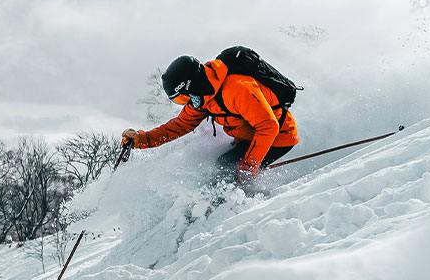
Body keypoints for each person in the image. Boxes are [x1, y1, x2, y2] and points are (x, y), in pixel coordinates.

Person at [121, 53, 300, 184]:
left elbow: (268, 126)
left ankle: (239, 208)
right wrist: (142, 139)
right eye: (180, 101)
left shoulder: (236, 89)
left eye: (183, 97)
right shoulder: (204, 98)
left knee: (226, 167)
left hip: (278, 137)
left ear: (192, 85)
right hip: (249, 137)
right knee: (220, 168)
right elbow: (180, 125)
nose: (186, 103)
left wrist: (248, 166)